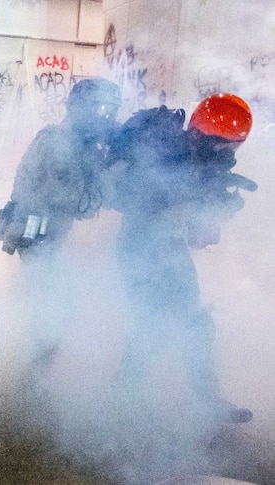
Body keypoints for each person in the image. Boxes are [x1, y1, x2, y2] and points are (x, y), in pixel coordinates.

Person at [110, 93, 257, 423]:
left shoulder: (203, 163)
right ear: (202, 136)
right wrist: (198, 208)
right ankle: (124, 399)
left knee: (196, 324)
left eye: (235, 147)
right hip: (139, 248)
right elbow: (141, 207)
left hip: (170, 249)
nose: (229, 156)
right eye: (225, 146)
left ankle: (208, 402)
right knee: (151, 324)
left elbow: (197, 233)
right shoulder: (160, 156)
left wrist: (218, 210)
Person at [0, 78, 121, 367]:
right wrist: (106, 179)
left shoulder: (79, 145)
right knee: (55, 306)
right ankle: (29, 373)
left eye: (110, 111)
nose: (105, 118)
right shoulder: (58, 143)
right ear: (78, 108)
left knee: (45, 302)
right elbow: (69, 200)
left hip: (47, 233)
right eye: (99, 109)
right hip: (36, 233)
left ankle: (31, 367)